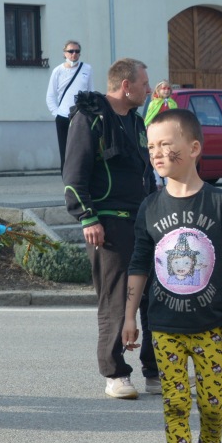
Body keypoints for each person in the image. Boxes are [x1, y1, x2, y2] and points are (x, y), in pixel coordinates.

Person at [122, 109, 222, 443]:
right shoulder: (150, 206)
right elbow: (139, 263)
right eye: (151, 146)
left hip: (210, 326)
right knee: (175, 405)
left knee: (212, 406)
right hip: (165, 327)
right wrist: (129, 316)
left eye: (165, 144)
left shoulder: (220, 203)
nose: (156, 153)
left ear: (193, 148)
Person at [64, 57, 160, 399]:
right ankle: (115, 374)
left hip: (142, 222)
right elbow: (73, 174)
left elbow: (147, 174)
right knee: (116, 299)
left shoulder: (136, 121)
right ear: (126, 85)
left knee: (154, 297)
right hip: (107, 224)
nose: (149, 90)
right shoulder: (89, 117)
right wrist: (87, 217)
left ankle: (155, 371)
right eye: (144, 84)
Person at [47, 40, 93, 168]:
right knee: (65, 151)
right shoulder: (58, 71)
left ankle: (81, 175)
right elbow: (50, 96)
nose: (74, 54)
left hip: (81, 116)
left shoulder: (87, 69)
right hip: (63, 117)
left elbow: (91, 92)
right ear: (64, 53)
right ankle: (66, 177)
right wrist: (57, 113)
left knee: (82, 150)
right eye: (71, 51)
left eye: (77, 51)